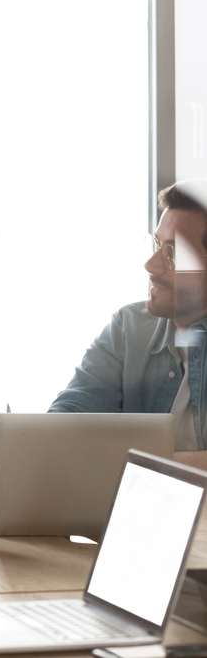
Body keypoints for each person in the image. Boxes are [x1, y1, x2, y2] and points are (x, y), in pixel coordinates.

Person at [50, 181, 207, 470]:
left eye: (173, 253)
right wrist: (30, 455)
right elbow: (69, 421)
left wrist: (119, 460)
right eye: (158, 244)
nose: (150, 264)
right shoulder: (129, 328)